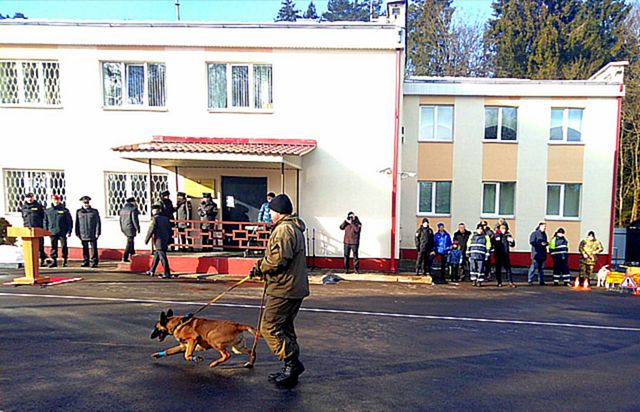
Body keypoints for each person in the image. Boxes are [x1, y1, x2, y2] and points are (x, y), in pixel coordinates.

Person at [249, 194, 308, 387]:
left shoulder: (283, 230)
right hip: (293, 287)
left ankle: (292, 362)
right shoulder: (294, 228)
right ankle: (290, 368)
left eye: (271, 211)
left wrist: (260, 267)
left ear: (279, 212)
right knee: (285, 327)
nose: (269, 214)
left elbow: (277, 260)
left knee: (269, 327)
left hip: (284, 287)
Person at [43, 195, 73, 268]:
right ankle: (54, 261)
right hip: (52, 231)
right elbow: (45, 221)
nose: (56, 201)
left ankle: (64, 260)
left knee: (64, 246)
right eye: (54, 200)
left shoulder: (65, 210)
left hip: (62, 232)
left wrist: (69, 231)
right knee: (53, 247)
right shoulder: (48, 211)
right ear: (52, 200)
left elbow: (69, 221)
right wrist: (46, 230)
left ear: (59, 200)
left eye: (57, 200)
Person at [145, 204, 173, 279]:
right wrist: (170, 239)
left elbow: (151, 230)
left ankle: (167, 273)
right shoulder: (166, 218)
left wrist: (146, 239)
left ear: (154, 211)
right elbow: (170, 230)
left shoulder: (155, 219)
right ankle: (152, 270)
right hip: (165, 239)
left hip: (158, 240)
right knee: (157, 255)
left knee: (162, 257)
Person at [21, 192, 47, 265]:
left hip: (37, 228)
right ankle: (30, 261)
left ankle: (42, 259)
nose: (29, 199)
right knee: (29, 246)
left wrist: (43, 227)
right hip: (27, 229)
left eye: (31, 197)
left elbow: (43, 217)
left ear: (33, 198)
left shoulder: (38, 206)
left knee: (40, 245)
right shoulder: (24, 207)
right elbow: (24, 217)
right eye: (28, 197)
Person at [75, 196, 101, 268]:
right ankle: (85, 261)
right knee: (85, 248)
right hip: (83, 232)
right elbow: (77, 223)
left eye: (87, 202)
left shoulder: (94, 211)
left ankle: (94, 262)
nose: (86, 204)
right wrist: (77, 232)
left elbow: (98, 222)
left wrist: (98, 232)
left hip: (92, 232)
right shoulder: (79, 212)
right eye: (84, 203)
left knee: (93, 248)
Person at [119, 197, 140, 262]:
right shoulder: (133, 209)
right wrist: (137, 228)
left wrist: (122, 228)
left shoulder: (122, 209)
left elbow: (120, 220)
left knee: (131, 241)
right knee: (129, 242)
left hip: (124, 227)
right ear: (132, 202)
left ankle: (132, 254)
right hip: (130, 227)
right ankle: (125, 256)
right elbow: (134, 220)